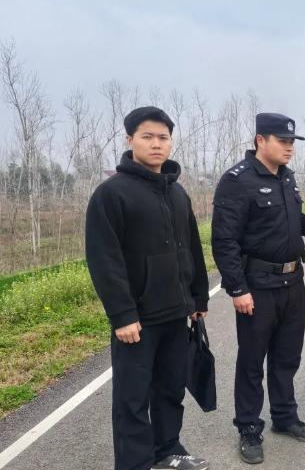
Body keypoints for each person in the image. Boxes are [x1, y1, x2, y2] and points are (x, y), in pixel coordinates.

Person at [85, 106, 210, 470]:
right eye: (148, 136)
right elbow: (104, 259)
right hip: (137, 320)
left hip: (175, 312)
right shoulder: (112, 194)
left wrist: (197, 297)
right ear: (130, 140)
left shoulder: (177, 192)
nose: (157, 144)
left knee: (170, 388)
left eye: (163, 137)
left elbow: (191, 247)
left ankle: (167, 449)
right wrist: (122, 315)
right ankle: (134, 462)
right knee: (132, 399)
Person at [211, 113, 305, 464]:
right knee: (252, 361)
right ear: (261, 140)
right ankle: (248, 428)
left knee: (287, 357)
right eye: (282, 141)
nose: (289, 148)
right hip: (257, 286)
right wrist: (237, 289)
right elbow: (224, 240)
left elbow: (298, 223)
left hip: (293, 283)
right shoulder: (237, 181)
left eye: (292, 142)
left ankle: (284, 417)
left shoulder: (288, 178)